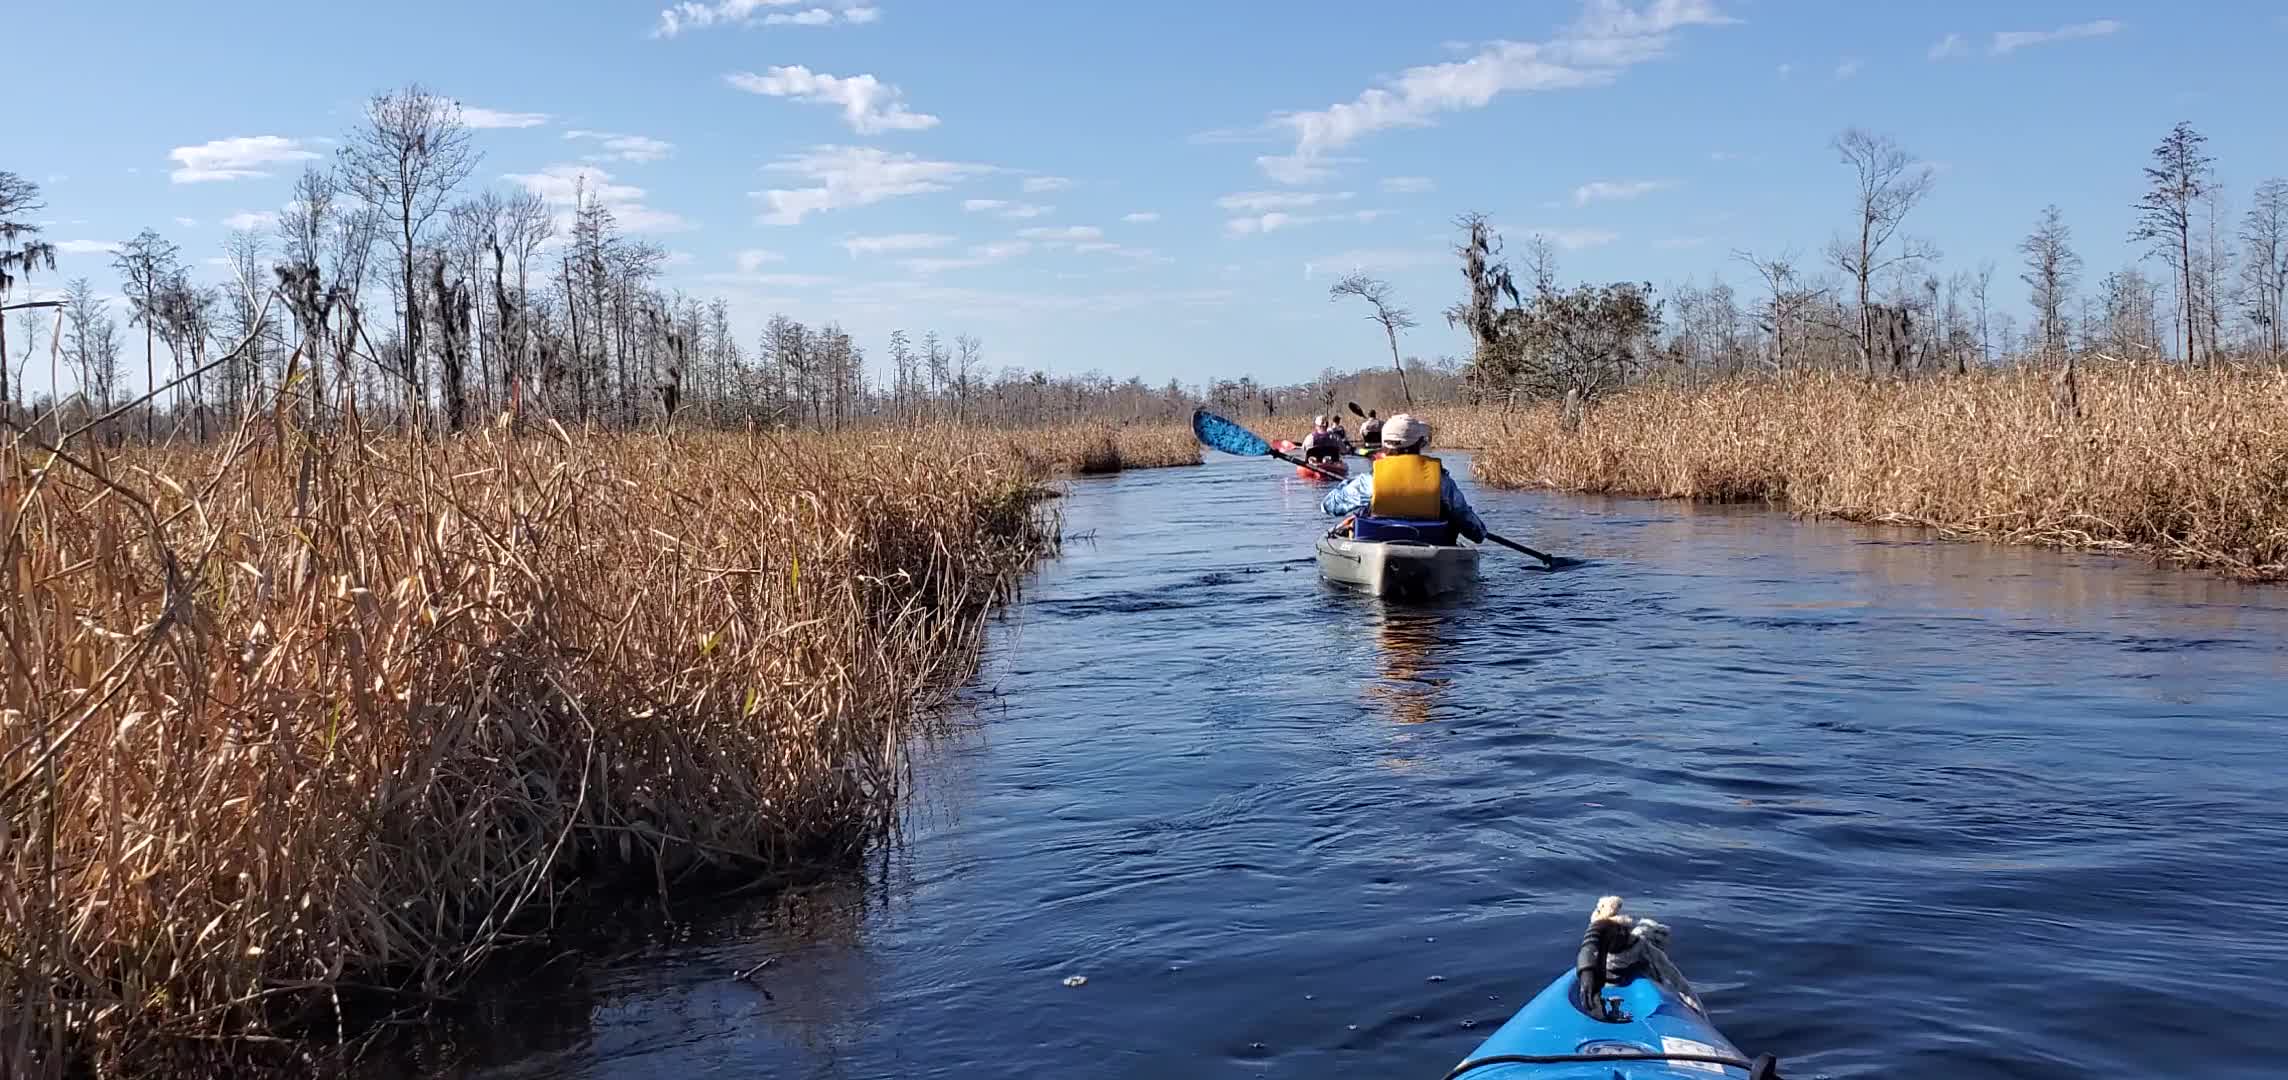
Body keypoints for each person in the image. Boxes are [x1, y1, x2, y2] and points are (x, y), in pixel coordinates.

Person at [1319, 413, 1488, 543]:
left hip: (1376, 543)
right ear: (1419, 443)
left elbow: (1329, 506)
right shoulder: (1442, 482)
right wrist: (1480, 531)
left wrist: (1346, 484)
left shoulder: (1370, 481)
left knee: (1360, 514)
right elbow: (1474, 530)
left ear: (1385, 443)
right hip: (1430, 545)